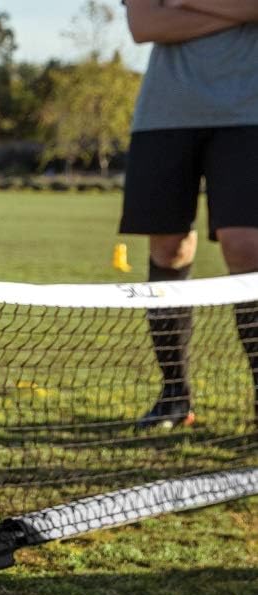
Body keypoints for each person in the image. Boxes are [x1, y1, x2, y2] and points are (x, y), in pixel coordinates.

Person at [121, 0, 258, 429]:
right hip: (164, 114)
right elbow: (143, 24)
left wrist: (181, 1)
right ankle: (175, 398)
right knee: (168, 247)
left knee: (246, 245)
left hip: (249, 112)